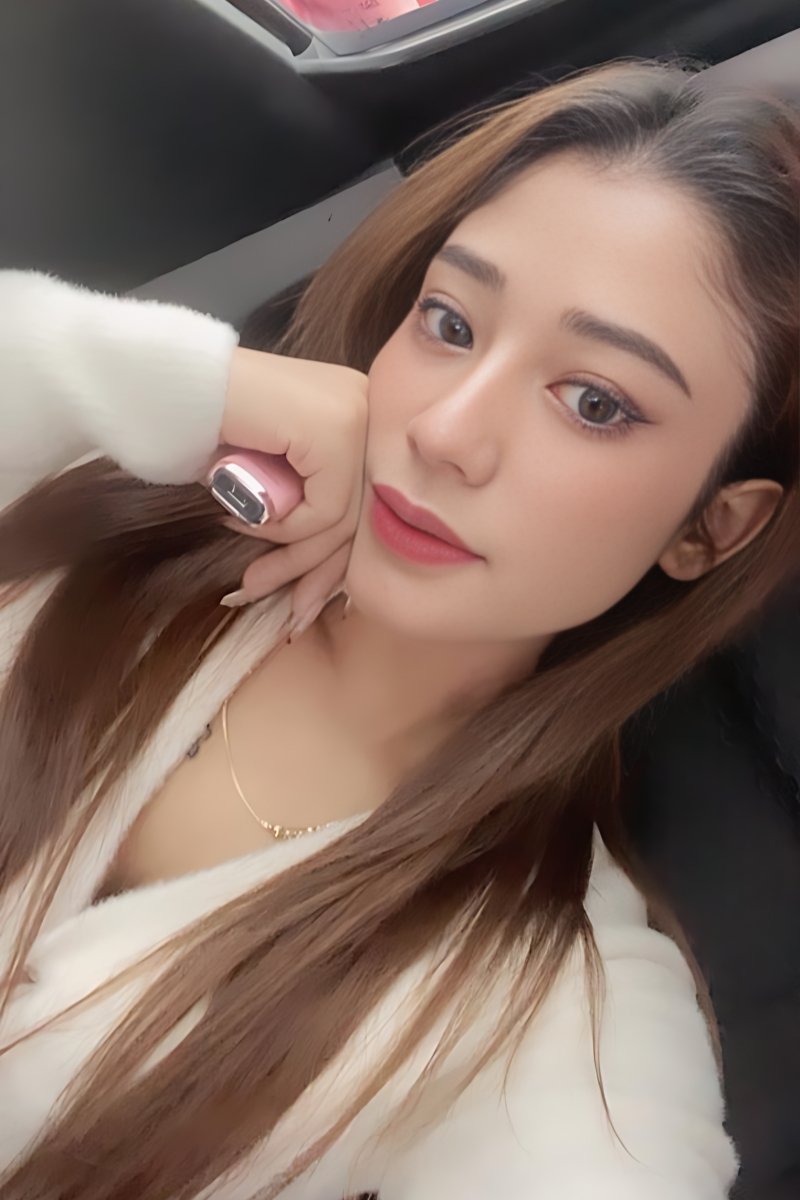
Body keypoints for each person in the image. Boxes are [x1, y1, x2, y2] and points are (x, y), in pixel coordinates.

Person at [0, 54, 797, 1200]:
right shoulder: (106, 496)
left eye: (593, 402)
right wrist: (194, 388)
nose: (444, 432)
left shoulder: (545, 1002)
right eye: (448, 322)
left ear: (709, 530)